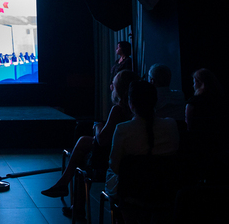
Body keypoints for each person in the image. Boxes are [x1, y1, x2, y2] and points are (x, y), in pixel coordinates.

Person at [41, 70, 139, 219]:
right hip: (127, 158)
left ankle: (70, 194)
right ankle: (67, 190)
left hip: (110, 161)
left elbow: (103, 140)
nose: (111, 86)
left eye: (113, 84)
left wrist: (97, 127)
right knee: (83, 144)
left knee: (82, 152)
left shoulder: (118, 110)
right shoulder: (139, 111)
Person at [105, 81, 180, 199]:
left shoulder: (122, 129)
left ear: (131, 104)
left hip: (130, 192)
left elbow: (115, 166)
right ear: (155, 101)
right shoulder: (171, 125)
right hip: (165, 191)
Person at [185, 68, 224, 133]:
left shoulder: (193, 102)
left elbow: (188, 125)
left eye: (194, 82)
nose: (193, 85)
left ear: (200, 83)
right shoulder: (221, 99)